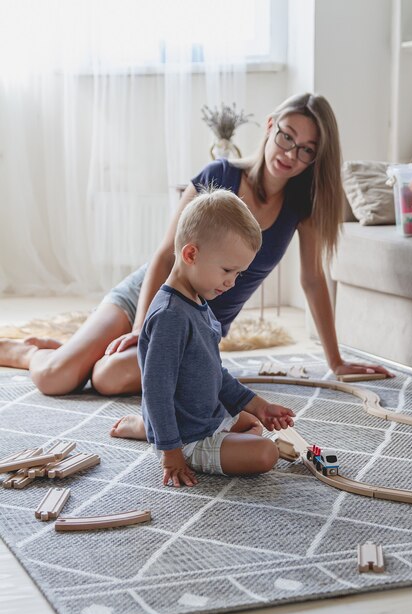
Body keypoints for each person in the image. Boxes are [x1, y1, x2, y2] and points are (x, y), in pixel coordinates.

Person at [0, 92, 391, 409]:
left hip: (197, 329)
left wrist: (335, 361)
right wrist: (142, 329)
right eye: (287, 136)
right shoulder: (217, 176)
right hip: (147, 296)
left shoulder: (299, 207)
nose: (290, 154)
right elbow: (166, 256)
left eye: (306, 149)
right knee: (55, 379)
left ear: (315, 158)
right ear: (271, 127)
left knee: (107, 377)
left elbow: (312, 280)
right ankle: (27, 351)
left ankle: (78, 349)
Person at [139, 188, 294, 486]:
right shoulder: (170, 316)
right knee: (265, 453)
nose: (232, 283)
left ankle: (148, 427)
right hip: (188, 437)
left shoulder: (197, 302)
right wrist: (172, 452)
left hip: (206, 417)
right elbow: (155, 389)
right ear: (191, 254)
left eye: (239, 274)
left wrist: (259, 405)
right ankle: (158, 434)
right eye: (227, 270)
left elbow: (213, 373)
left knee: (253, 423)